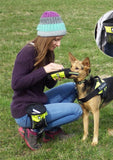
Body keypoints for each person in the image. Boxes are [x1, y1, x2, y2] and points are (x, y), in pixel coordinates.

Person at [11, 11, 83, 151]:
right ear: (45, 37)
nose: (58, 44)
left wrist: (56, 75)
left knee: (72, 87)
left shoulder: (48, 52)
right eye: (55, 39)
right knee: (76, 111)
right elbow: (16, 84)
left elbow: (48, 84)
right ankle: (32, 130)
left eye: (60, 39)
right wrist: (44, 70)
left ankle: (51, 130)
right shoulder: (27, 53)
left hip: (38, 101)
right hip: (25, 111)